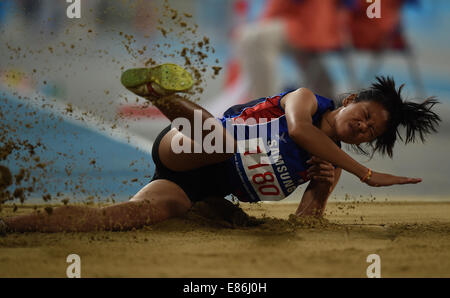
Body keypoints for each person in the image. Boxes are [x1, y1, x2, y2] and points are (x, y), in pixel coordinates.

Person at [0, 63, 440, 234]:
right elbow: (301, 132)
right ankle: (158, 91)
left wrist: (319, 194)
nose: (361, 127)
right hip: (189, 145)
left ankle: (12, 225)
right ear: (348, 102)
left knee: (122, 218)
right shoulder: (305, 100)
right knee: (226, 143)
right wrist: (367, 174)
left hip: (191, 187)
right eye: (362, 115)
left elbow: (305, 228)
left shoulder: (329, 165)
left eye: (369, 133)